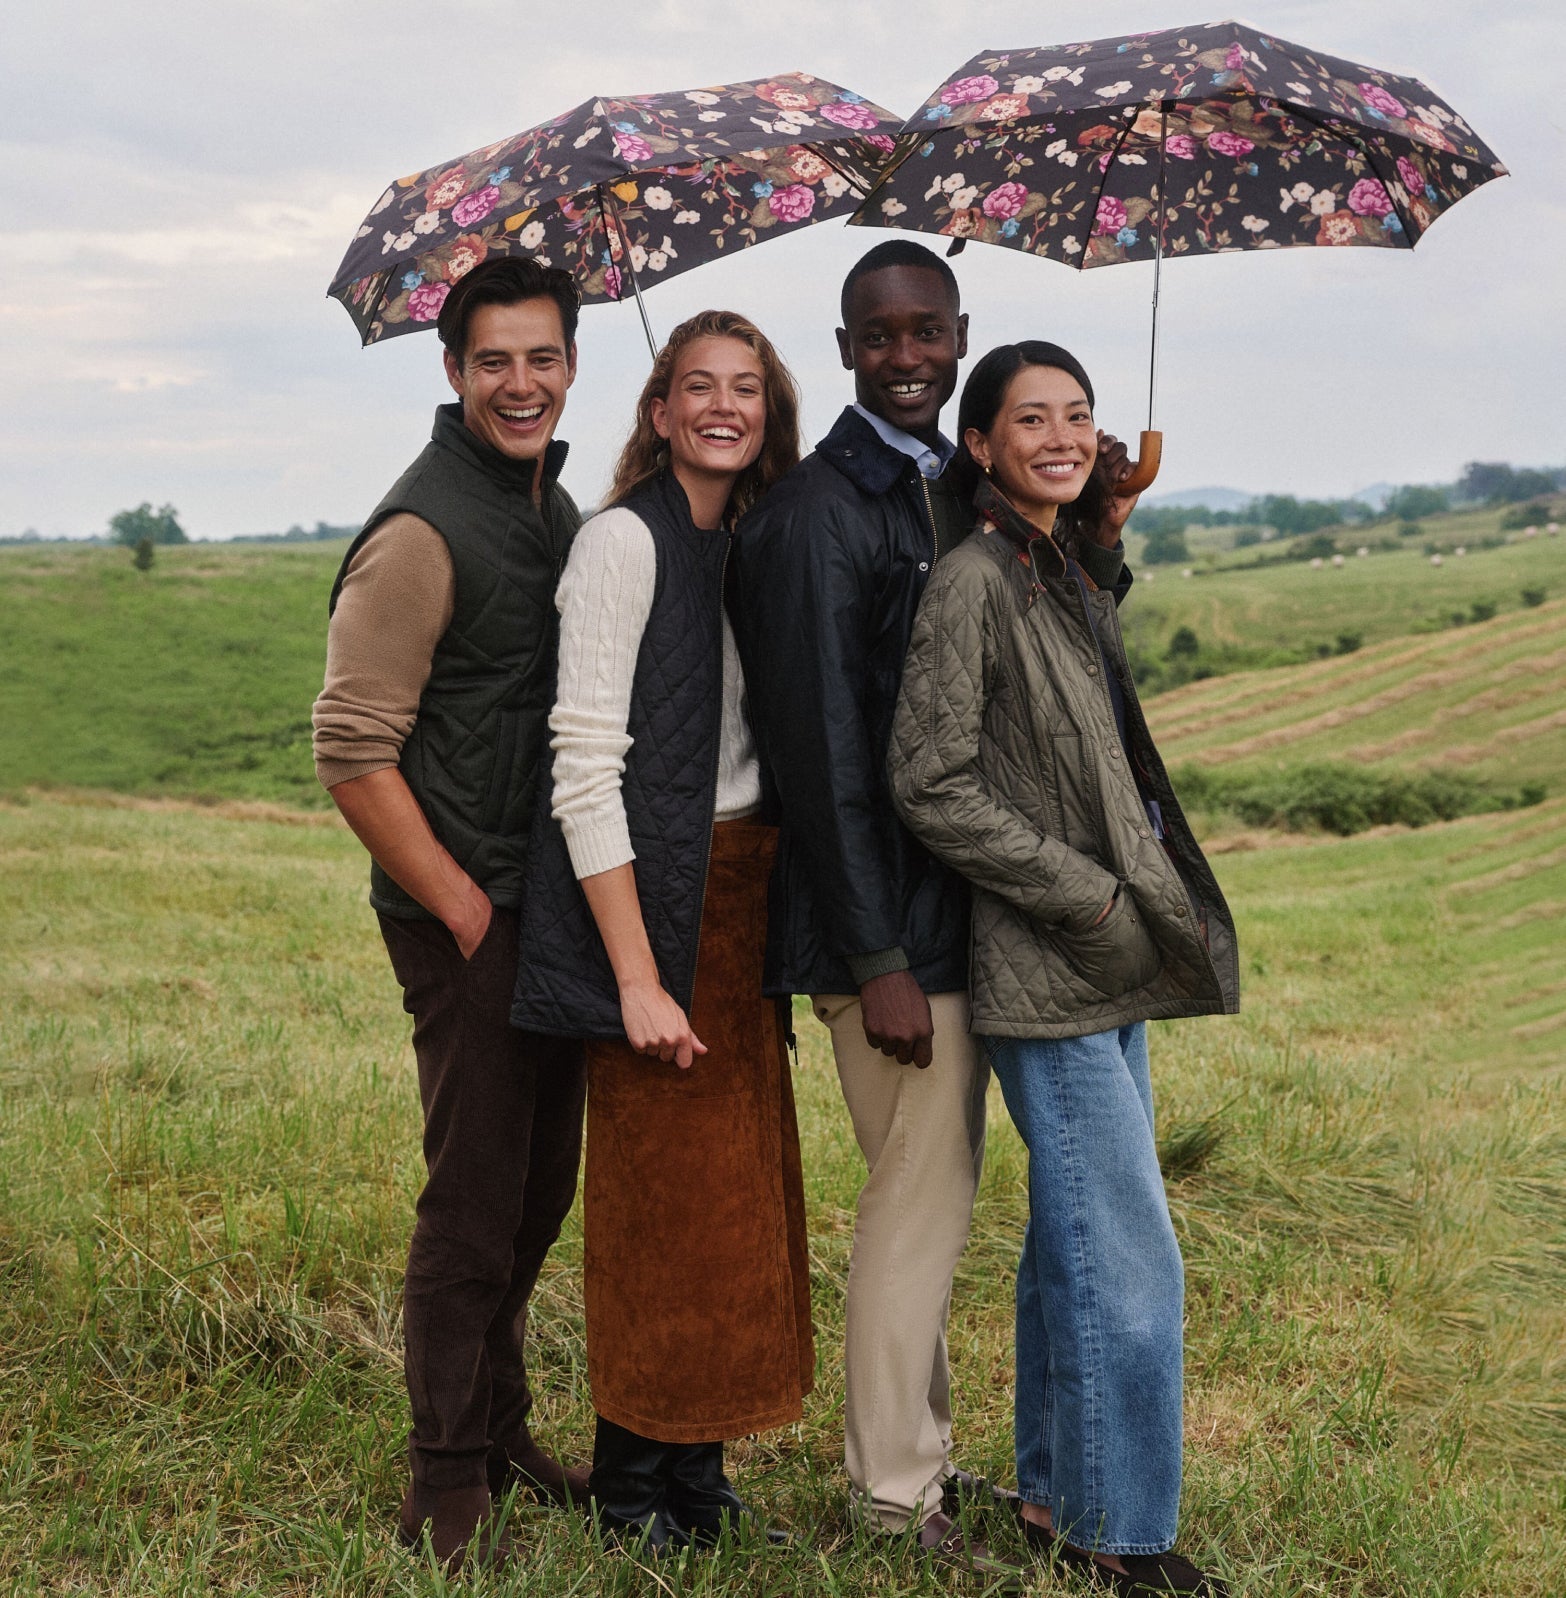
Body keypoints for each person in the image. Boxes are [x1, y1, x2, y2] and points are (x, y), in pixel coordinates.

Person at [887, 341, 1241, 1598]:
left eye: (1078, 414)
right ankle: (1118, 1533)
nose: (1060, 432)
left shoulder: (1051, 565)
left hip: (1108, 955)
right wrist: (1082, 890)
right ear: (977, 444)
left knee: (1068, 1242)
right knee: (1127, 1255)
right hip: (1054, 954)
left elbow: (1075, 714)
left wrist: (1104, 528)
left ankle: (1049, 1489)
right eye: (1028, 417)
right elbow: (931, 780)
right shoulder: (973, 580)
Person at [735, 238, 1027, 1575]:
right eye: (880, 333)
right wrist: (875, 953)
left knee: (938, 1198)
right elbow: (820, 758)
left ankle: (916, 1454)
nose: (906, 355)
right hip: (888, 938)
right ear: (844, 346)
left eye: (928, 329)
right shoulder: (809, 515)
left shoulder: (956, 490)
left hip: (956, 915)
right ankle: (896, 1501)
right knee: (915, 1205)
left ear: (960, 332)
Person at [510, 310, 813, 1551]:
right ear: (658, 409)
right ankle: (632, 1480)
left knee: (735, 1203)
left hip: (743, 898)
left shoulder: (745, 538)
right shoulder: (621, 544)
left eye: (747, 387)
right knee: (656, 1208)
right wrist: (636, 975)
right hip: (648, 905)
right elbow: (585, 767)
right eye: (700, 386)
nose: (724, 406)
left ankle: (701, 1468)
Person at [312, 257, 590, 1571]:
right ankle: (443, 1481)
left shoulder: (550, 507)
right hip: (468, 908)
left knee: (539, 1190)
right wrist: (467, 913)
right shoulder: (422, 530)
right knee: (473, 1203)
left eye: (540, 358)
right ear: (452, 371)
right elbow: (351, 751)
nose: (519, 383)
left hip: (546, 909)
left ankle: (500, 1429)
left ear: (571, 365)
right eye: (493, 361)